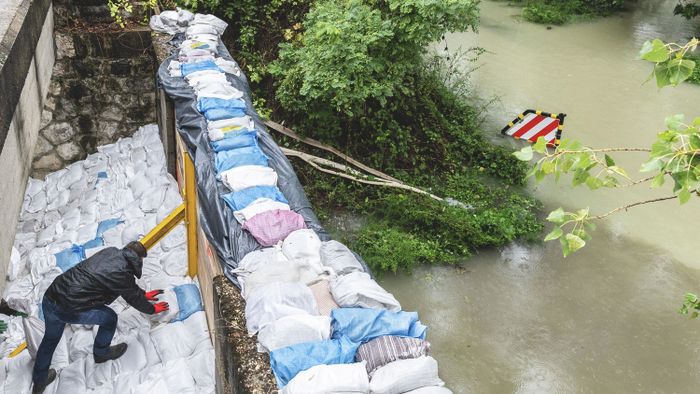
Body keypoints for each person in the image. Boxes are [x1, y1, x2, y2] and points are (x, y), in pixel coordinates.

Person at [31, 241, 169, 394]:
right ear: (139, 259)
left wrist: (143, 294)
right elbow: (131, 296)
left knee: (50, 340)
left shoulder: (110, 251)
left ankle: (39, 381)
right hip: (68, 308)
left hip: (52, 296)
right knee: (109, 318)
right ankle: (101, 353)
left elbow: (129, 288)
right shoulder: (123, 272)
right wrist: (151, 309)